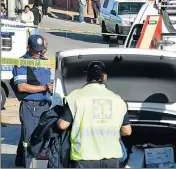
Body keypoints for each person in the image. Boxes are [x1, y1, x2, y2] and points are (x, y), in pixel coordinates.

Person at [57, 61, 132, 168]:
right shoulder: (118, 100)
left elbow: (62, 125)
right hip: (111, 158)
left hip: (84, 157)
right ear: (105, 78)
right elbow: (127, 131)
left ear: (87, 77)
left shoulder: (76, 97)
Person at [13, 35, 53, 167]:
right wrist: (44, 87)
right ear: (28, 48)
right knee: (29, 141)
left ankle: (35, 165)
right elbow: (21, 86)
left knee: (43, 140)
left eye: (41, 50)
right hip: (31, 107)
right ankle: (28, 165)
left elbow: (50, 81)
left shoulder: (44, 61)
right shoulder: (22, 62)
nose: (39, 53)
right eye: (36, 50)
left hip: (45, 106)